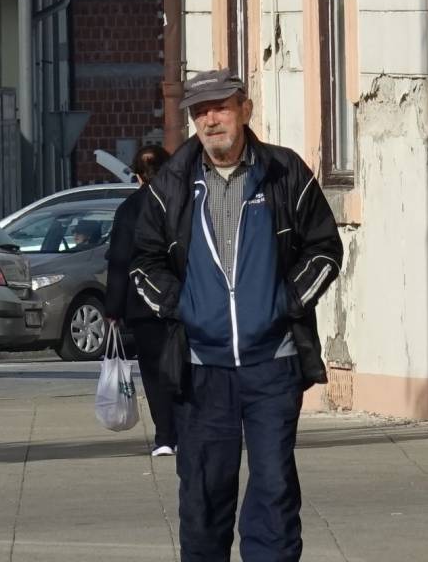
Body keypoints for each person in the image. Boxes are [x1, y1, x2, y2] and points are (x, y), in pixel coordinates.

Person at [131, 69, 343, 562]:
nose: (211, 120)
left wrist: (286, 303)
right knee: (203, 496)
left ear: (244, 110)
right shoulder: (172, 183)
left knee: (274, 488)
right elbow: (143, 261)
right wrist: (182, 307)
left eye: (220, 108)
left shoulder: (284, 172)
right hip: (201, 367)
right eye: (200, 112)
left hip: (273, 362)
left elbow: (324, 248)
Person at [104, 144, 177, 456]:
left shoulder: (129, 209)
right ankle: (189, 429)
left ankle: (166, 436)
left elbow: (119, 260)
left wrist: (113, 307)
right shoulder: (182, 201)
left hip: (142, 303)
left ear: (137, 176)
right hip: (182, 301)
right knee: (187, 365)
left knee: (153, 370)